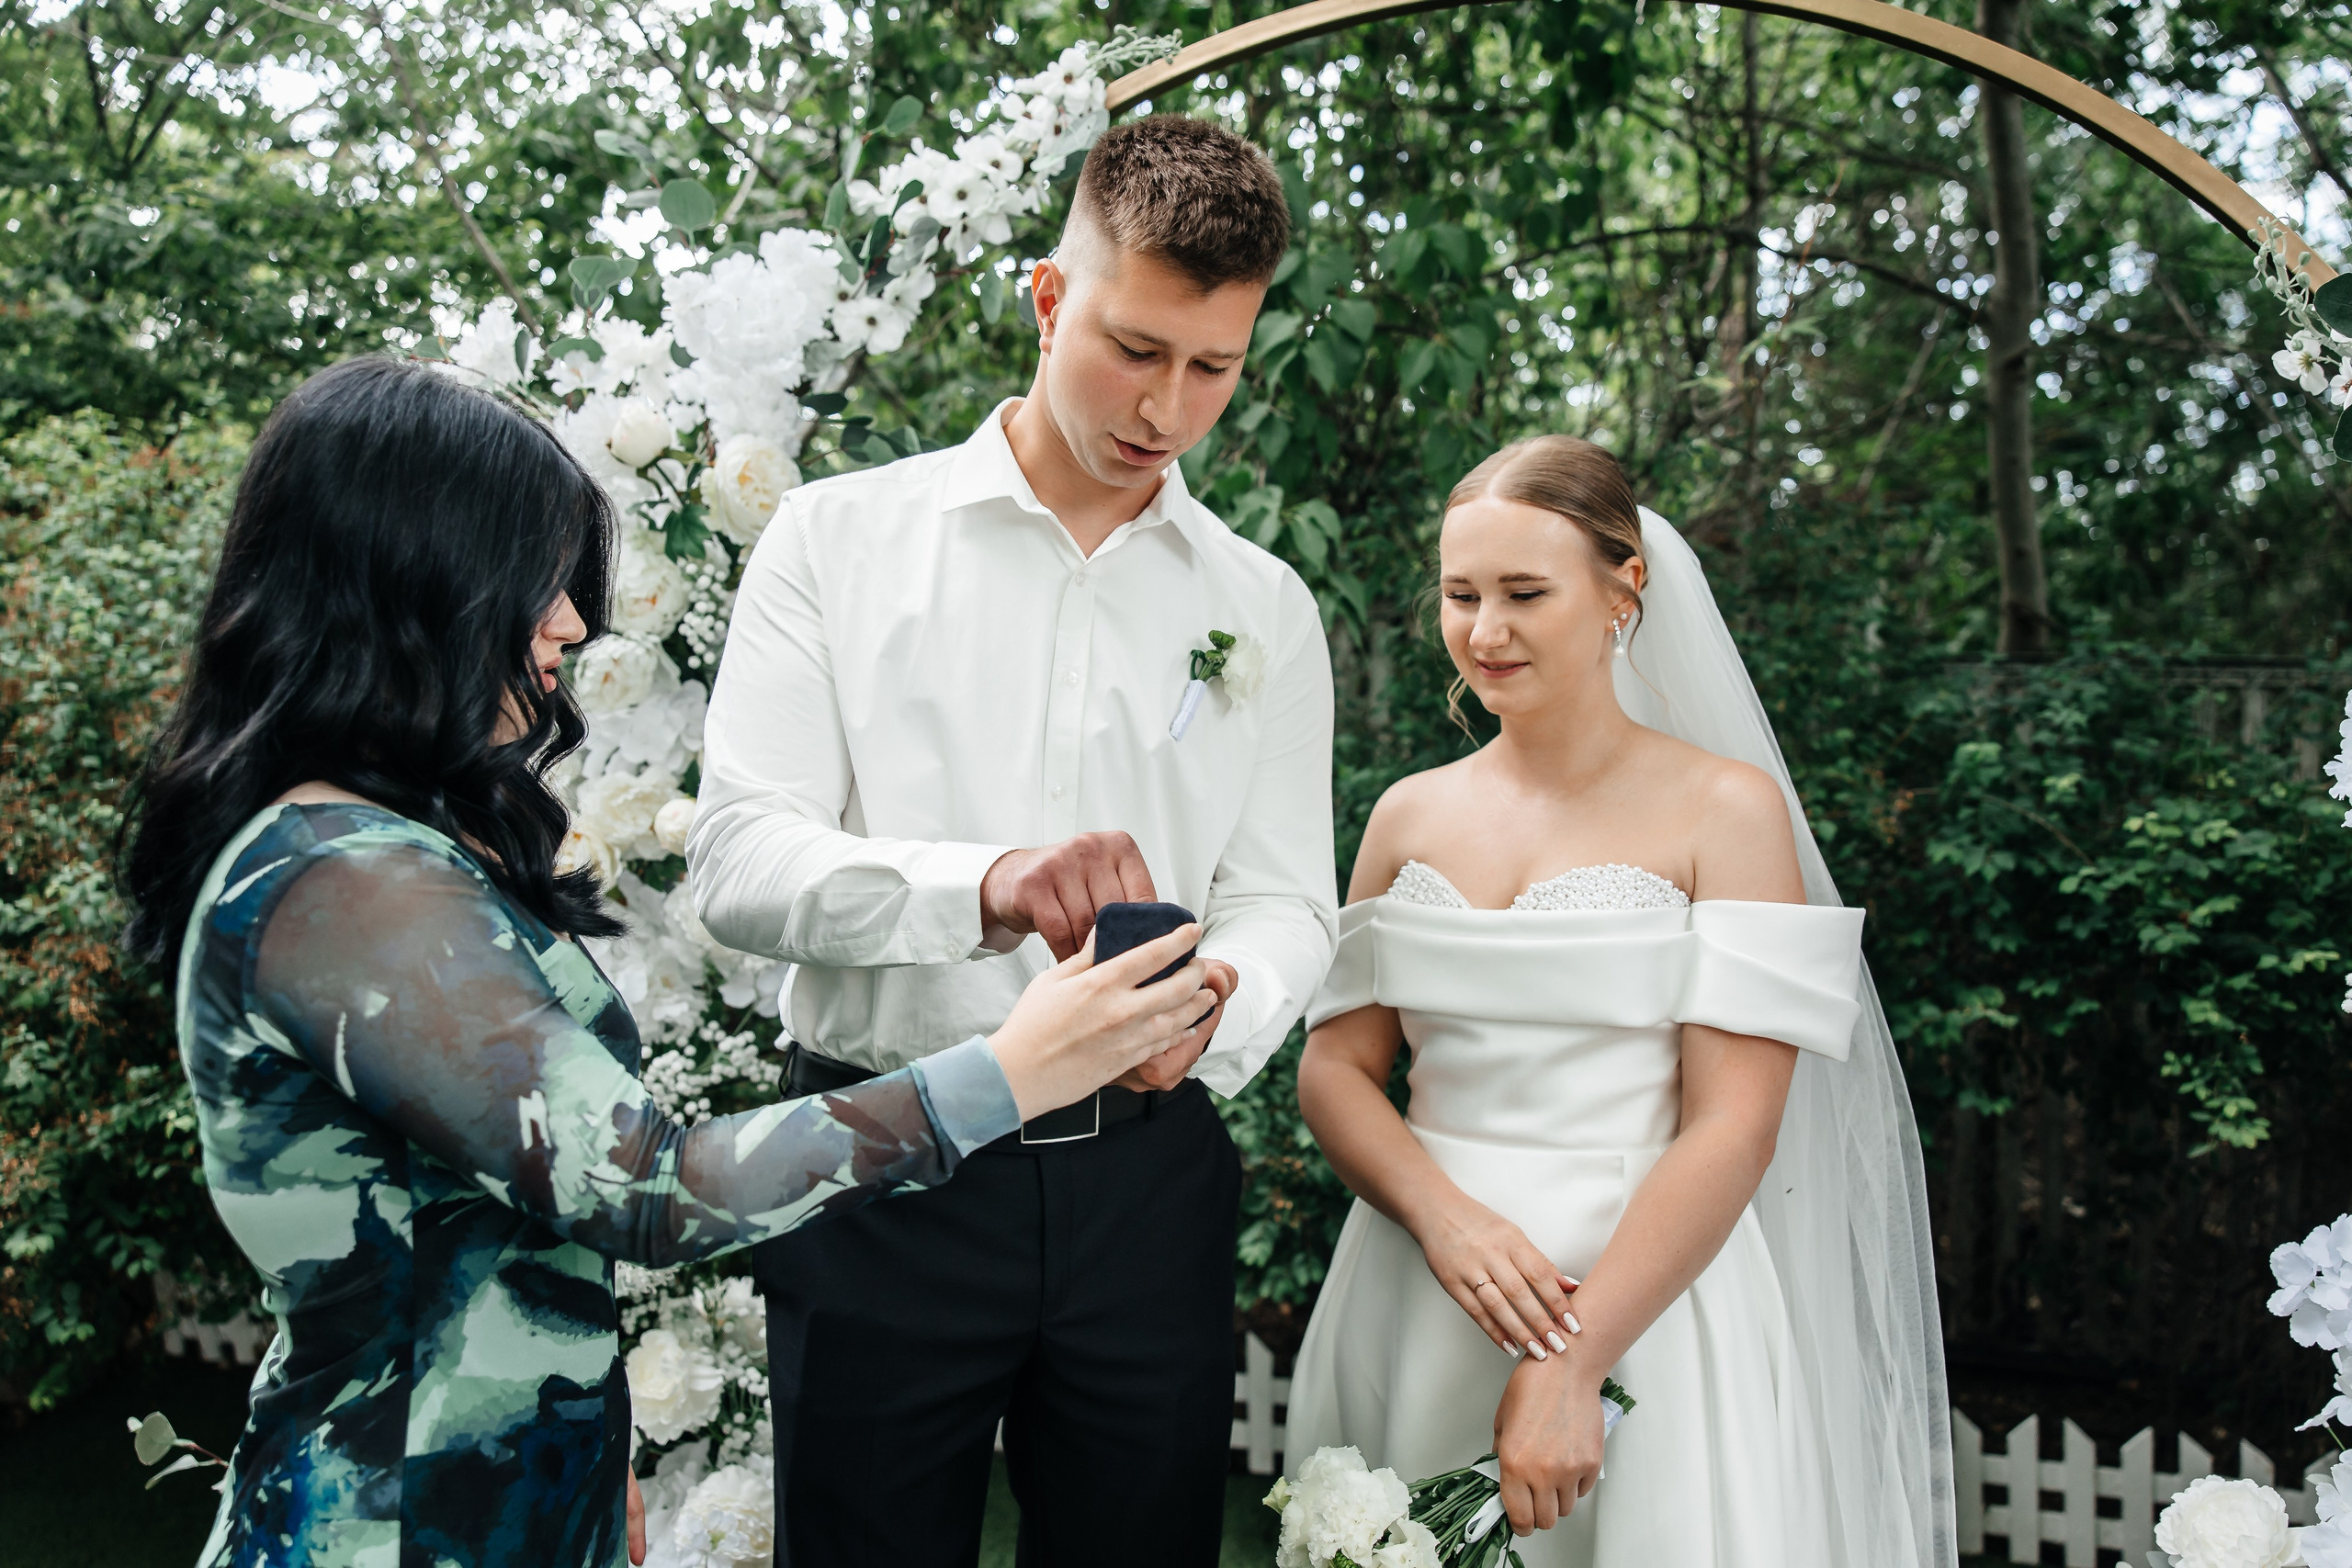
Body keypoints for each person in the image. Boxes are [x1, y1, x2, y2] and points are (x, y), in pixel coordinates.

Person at [119, 356, 1218, 1568]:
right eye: (532, 578)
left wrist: (590, 1440)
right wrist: (1014, 1064)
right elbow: (645, 1188)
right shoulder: (337, 887)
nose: (572, 625)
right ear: (403, 573)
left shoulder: (397, 844)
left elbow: (507, 1217)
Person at [686, 115, 1334, 1565]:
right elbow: (734, 859)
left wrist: (1221, 1003)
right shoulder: (832, 542)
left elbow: (1292, 898)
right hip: (881, 1157)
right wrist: (978, 885)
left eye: (1212, 367)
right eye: (1133, 346)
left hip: (1146, 1183)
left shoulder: (1268, 608)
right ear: (1049, 298)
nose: (1166, 407)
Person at [1282, 436, 1955, 1568]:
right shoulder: (1405, 814)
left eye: (1523, 595)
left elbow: (1736, 1123)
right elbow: (1335, 1068)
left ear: (1621, 588)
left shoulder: (1724, 812)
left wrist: (1570, 1361)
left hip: (1640, 1303)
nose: (1483, 632)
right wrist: (1444, 1219)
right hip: (1415, 1287)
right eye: (1460, 595)